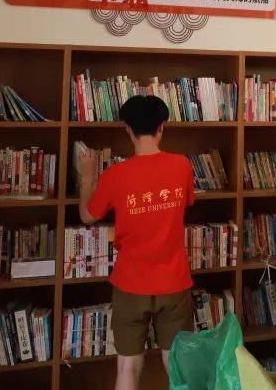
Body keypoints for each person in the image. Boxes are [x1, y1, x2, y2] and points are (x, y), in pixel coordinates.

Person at [78, 94, 195, 390]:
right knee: (178, 365)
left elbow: (87, 216)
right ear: (162, 128)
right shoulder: (182, 166)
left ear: (127, 130)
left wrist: (87, 178)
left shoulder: (115, 175)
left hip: (130, 282)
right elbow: (186, 202)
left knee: (128, 366)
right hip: (173, 281)